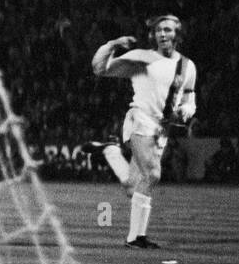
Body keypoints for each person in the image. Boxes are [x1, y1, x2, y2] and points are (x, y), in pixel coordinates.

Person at [81, 14, 197, 249]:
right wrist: (112, 45)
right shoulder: (143, 58)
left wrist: (185, 112)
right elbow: (99, 68)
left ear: (177, 34)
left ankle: (111, 152)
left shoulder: (187, 66)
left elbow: (189, 99)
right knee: (153, 174)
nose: (163, 34)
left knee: (134, 187)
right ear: (153, 35)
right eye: (158, 30)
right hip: (139, 120)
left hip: (161, 130)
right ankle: (135, 238)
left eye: (168, 30)